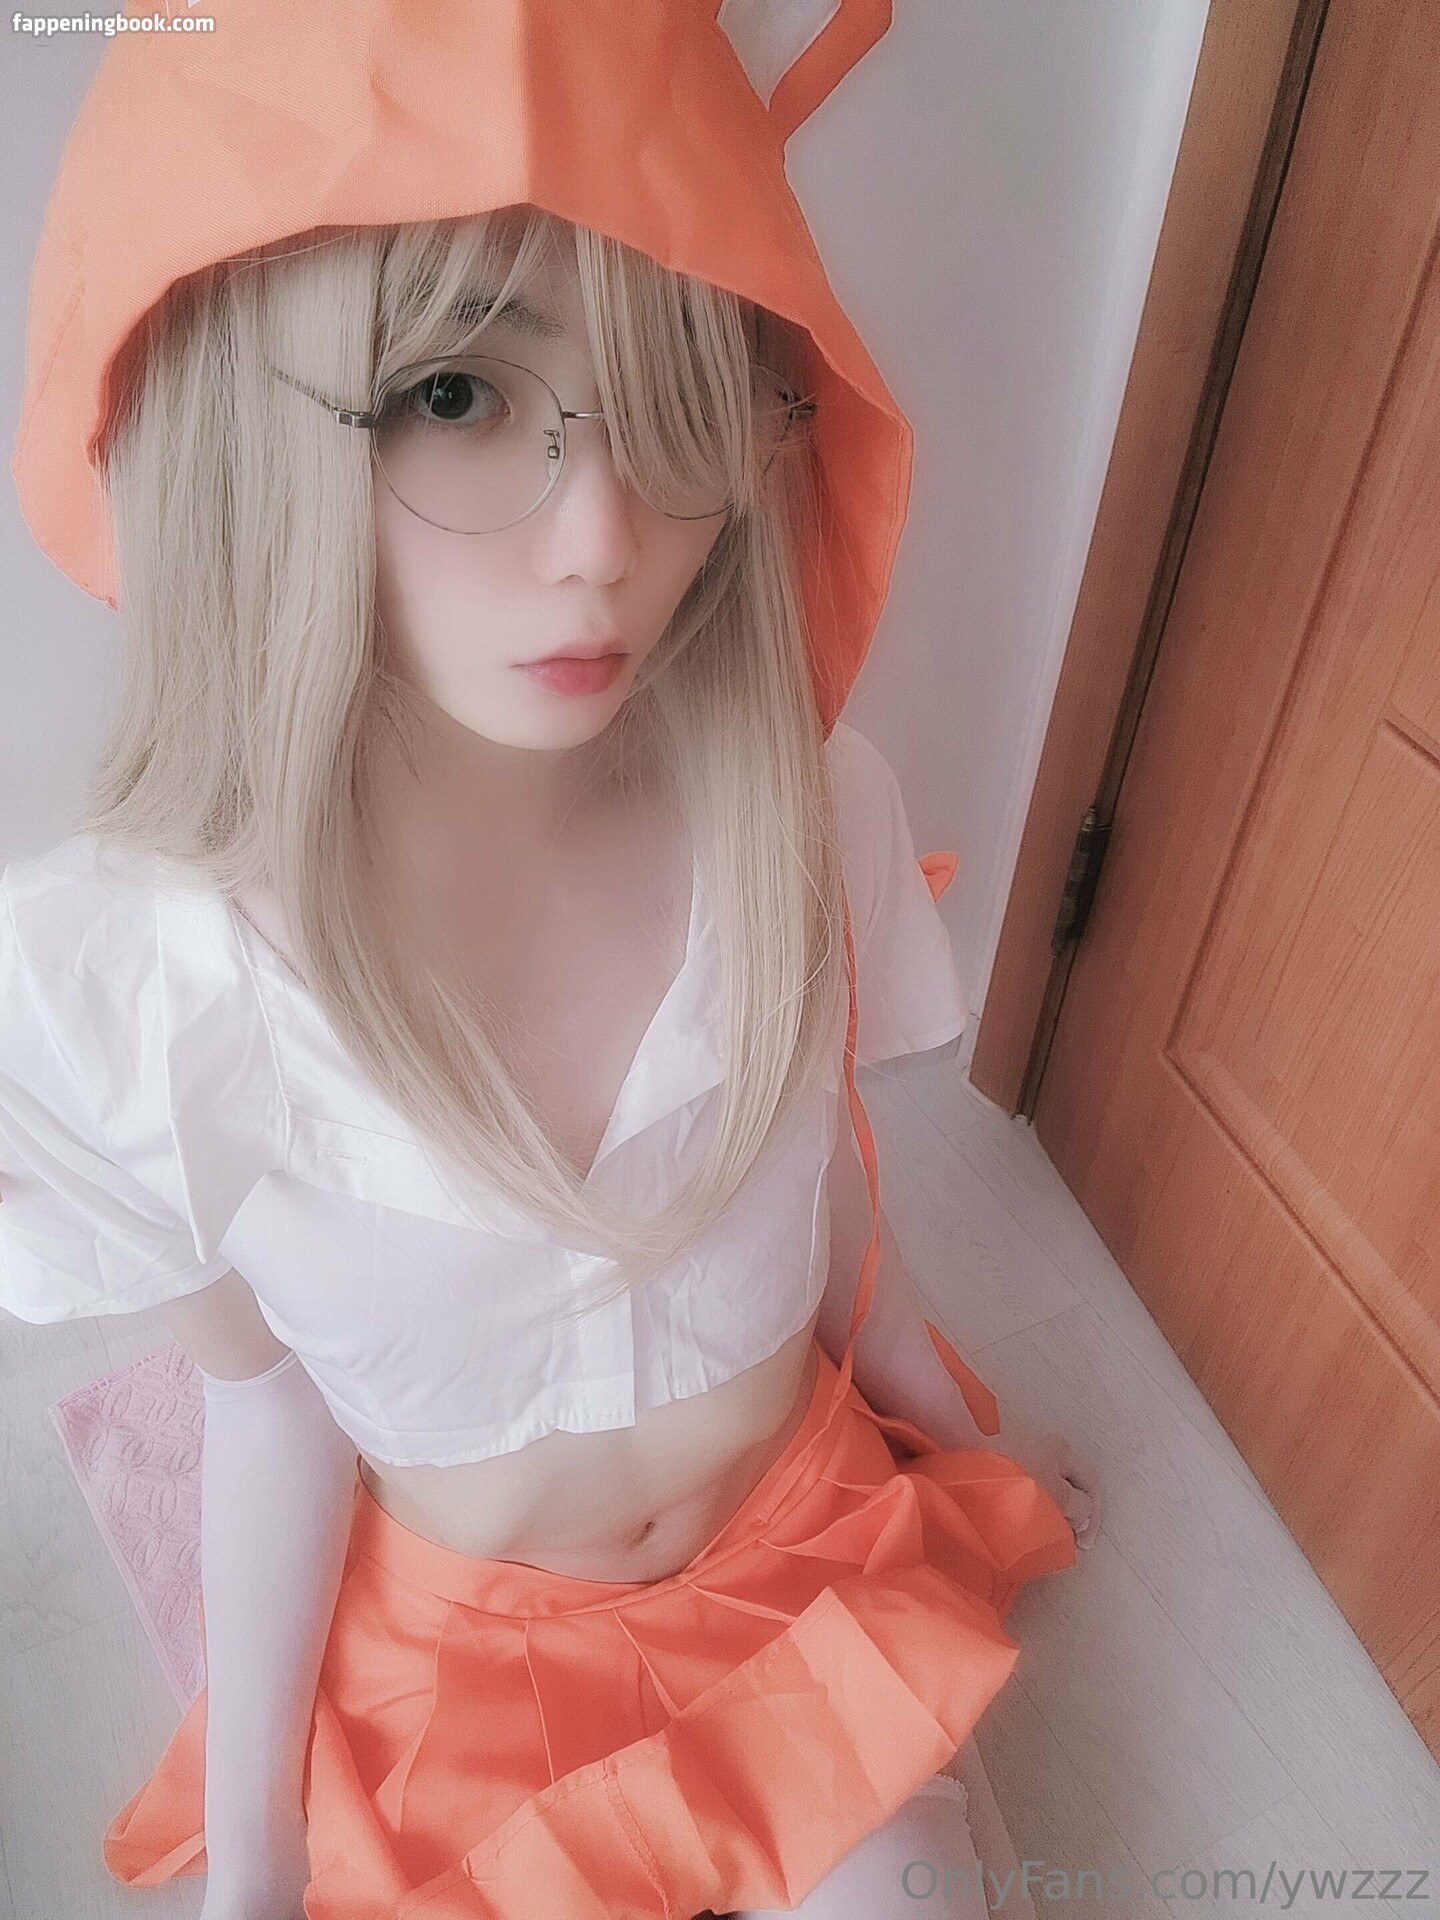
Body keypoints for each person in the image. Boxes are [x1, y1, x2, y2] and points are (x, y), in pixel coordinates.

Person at [1, 4, 1095, 1916]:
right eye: (453, 393)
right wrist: (257, 1852)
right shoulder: (144, 997)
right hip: (467, 1658)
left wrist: (930, 1403)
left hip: (800, 1554)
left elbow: (819, 1166)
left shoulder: (804, 807)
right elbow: (264, 1397)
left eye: (677, 391)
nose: (605, 536)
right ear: (244, 419)